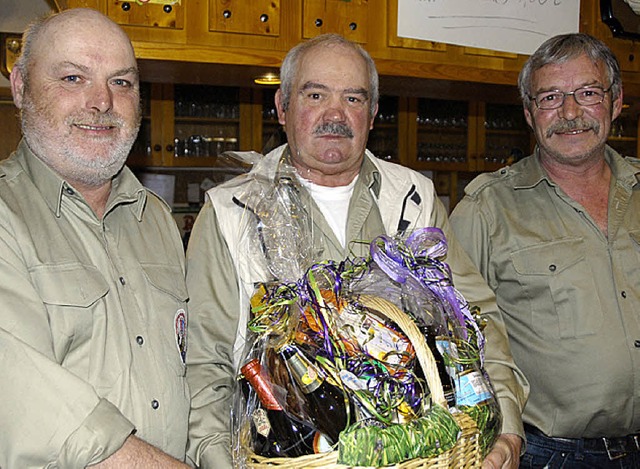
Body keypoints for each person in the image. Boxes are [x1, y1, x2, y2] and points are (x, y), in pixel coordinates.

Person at [186, 33, 527, 469]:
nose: (335, 114)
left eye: (353, 98)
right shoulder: (231, 210)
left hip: (423, 456)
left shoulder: (414, 199)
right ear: (282, 107)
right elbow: (205, 363)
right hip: (288, 456)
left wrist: (509, 427)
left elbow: (476, 322)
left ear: (373, 114)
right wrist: (218, 460)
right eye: (315, 94)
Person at [2, 8, 190, 468]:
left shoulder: (159, 221)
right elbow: (33, 411)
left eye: (122, 82)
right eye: (72, 78)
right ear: (21, 87)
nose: (102, 101)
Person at [450, 33, 640, 468]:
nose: (570, 113)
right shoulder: (486, 208)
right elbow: (457, 343)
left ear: (615, 102)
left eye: (588, 93)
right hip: (550, 454)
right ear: (529, 113)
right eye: (550, 97)